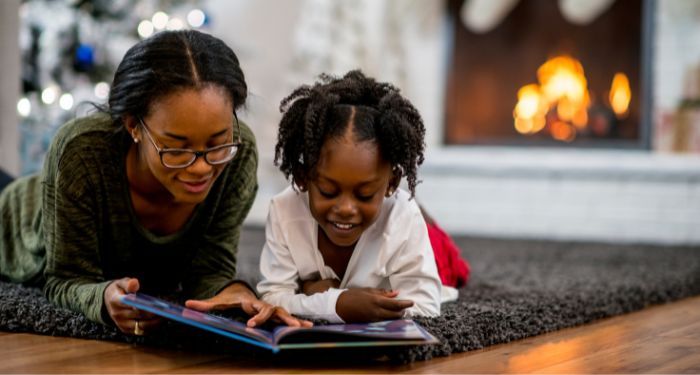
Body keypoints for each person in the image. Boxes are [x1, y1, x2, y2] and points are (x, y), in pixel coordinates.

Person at [0, 30, 310, 336]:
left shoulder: (237, 155)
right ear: (133, 125)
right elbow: (65, 279)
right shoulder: (81, 151)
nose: (202, 167)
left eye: (218, 143)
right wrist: (103, 298)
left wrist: (237, 294)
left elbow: (210, 270)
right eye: (176, 148)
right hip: (14, 222)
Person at [257, 70, 467, 323]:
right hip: (389, 218)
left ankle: (425, 219)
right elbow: (271, 299)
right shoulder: (284, 209)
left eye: (364, 194)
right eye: (328, 191)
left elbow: (425, 307)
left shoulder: (402, 218)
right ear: (303, 178)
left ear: (391, 183)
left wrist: (314, 295)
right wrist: (338, 303)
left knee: (450, 266)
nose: (346, 208)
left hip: (423, 243)